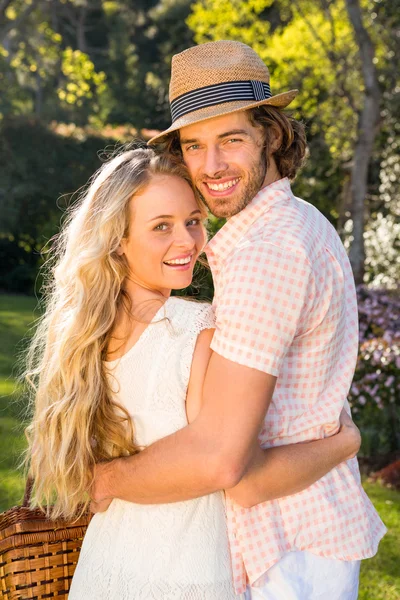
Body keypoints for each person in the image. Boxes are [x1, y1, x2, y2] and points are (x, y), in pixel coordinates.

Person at [89, 41, 386, 599]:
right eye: (195, 145)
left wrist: (104, 480)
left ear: (270, 134)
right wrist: (342, 445)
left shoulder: (266, 253)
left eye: (231, 139)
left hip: (287, 550)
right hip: (297, 541)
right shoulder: (295, 224)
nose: (211, 166)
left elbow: (229, 465)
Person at [25, 147, 358, 599]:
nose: (187, 241)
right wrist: (344, 443)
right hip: (188, 576)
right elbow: (241, 476)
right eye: (161, 226)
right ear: (118, 240)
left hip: (105, 568)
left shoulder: (81, 340)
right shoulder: (197, 333)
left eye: (194, 221)